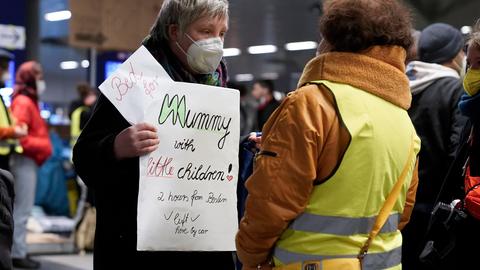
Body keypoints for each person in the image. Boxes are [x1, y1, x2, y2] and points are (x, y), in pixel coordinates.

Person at [235, 0, 420, 269]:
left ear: (333, 41)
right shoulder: (402, 119)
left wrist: (249, 255)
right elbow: (402, 211)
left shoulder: (312, 103)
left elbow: (273, 202)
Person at [72, 1, 234, 269]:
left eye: (222, 33)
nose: (216, 42)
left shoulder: (218, 84)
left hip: (202, 242)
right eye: (205, 31)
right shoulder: (134, 81)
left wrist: (243, 148)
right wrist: (116, 146)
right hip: (139, 249)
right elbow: (84, 156)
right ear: (174, 32)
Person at [402, 23, 468, 269]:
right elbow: (456, 152)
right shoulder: (454, 90)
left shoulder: (402, 88)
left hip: (400, 202)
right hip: (435, 207)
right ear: (453, 55)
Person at [10, 61, 52, 269]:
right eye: (38, 74)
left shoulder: (28, 101)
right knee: (22, 209)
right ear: (29, 76)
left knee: (22, 208)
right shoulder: (24, 102)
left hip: (28, 160)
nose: (41, 78)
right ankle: (17, 253)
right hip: (24, 160)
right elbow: (20, 137)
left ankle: (18, 251)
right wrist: (43, 145)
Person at [0, 49, 28, 170]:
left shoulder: (1, 97)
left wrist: (19, 125)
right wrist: (13, 132)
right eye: (4, 68)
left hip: (5, 157)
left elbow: (8, 119)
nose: (6, 73)